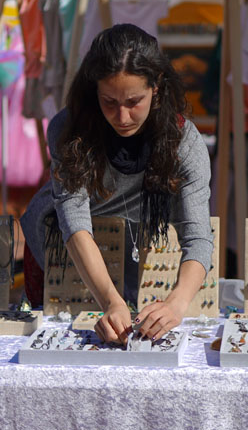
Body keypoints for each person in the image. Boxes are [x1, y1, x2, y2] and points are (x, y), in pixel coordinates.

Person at [21, 24, 213, 343]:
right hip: (63, 254)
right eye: (109, 101)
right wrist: (110, 300)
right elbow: (74, 222)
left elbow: (198, 236)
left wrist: (177, 303)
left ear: (157, 88)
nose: (122, 117)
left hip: (132, 256)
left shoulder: (185, 142)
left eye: (133, 101)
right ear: (93, 90)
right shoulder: (68, 130)